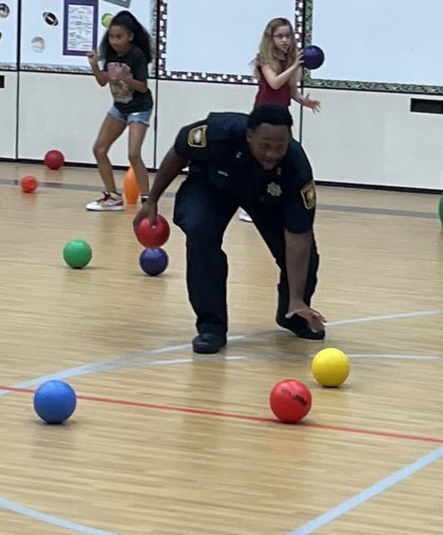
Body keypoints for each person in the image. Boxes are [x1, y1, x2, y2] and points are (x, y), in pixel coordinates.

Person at [133, 105, 326, 354]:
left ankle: (293, 312)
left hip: (266, 196)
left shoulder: (296, 167)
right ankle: (211, 327)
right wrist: (152, 199)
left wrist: (298, 297)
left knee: (306, 259)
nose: (271, 153)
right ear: (249, 136)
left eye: (280, 146)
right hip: (213, 185)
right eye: (264, 145)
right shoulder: (217, 133)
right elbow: (180, 151)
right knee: (200, 232)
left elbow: (298, 236)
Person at [238, 17, 321, 223]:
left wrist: (304, 101)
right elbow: (274, 83)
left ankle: (277, 199)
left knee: (283, 157)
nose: (285, 40)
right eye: (280, 36)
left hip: (282, 116)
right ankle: (247, 206)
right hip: (264, 116)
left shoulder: (290, 60)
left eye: (288, 36)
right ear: (271, 38)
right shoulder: (264, 59)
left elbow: (290, 90)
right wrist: (294, 66)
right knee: (257, 159)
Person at [85, 11, 153, 211]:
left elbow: (142, 87)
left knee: (133, 154)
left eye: (119, 36)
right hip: (120, 107)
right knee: (99, 149)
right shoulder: (111, 55)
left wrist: (126, 79)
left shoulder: (137, 55)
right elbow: (102, 81)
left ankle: (148, 199)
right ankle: (113, 196)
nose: (115, 41)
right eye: (112, 36)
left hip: (139, 108)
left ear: (130, 36)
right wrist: (95, 65)